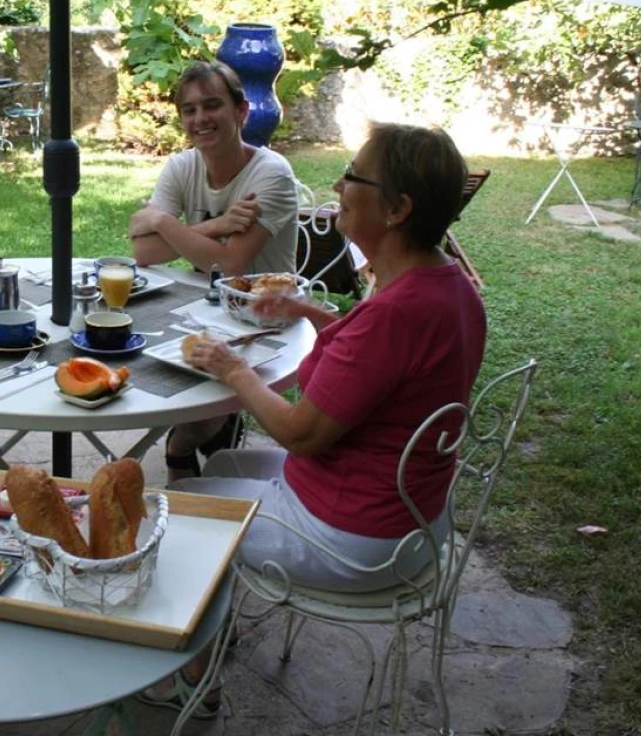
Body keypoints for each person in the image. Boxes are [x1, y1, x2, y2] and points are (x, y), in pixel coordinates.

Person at [139, 121, 486, 717]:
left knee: (181, 508)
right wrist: (308, 312)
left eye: (354, 174)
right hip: (412, 514)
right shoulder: (448, 288)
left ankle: (192, 681)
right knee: (221, 461)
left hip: (358, 538)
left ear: (397, 208)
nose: (339, 183)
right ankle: (213, 615)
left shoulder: (394, 315)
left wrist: (232, 369)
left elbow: (301, 433)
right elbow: (385, 368)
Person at [128, 60, 299, 481]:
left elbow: (230, 264)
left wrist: (166, 223)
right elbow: (142, 249)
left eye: (212, 105)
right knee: (141, 357)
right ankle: (202, 440)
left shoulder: (271, 174)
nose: (200, 118)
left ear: (241, 111)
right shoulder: (182, 167)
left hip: (267, 318)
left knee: (204, 401)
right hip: (201, 307)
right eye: (189, 110)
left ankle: (183, 448)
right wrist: (218, 226)